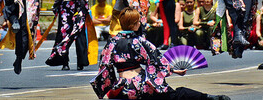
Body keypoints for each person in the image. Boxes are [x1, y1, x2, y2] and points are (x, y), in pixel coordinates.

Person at [95, 7, 230, 100]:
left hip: (122, 89)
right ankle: (210, 98)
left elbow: (105, 67)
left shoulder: (111, 43)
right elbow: (156, 60)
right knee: (176, 94)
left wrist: (109, 88)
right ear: (135, 24)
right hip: (141, 86)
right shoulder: (139, 41)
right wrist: (174, 71)